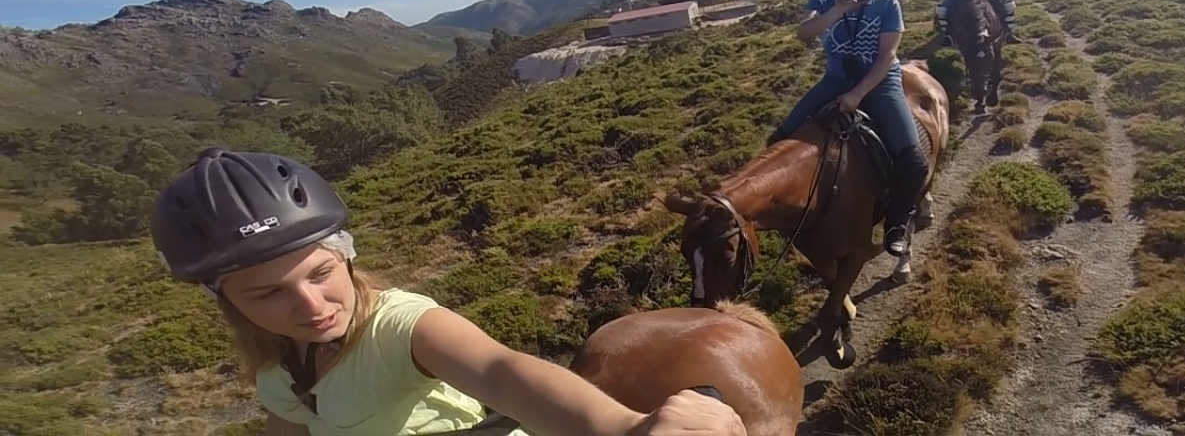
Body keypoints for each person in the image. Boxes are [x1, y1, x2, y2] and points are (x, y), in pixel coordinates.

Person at [150, 147, 747, 436]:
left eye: (320, 273)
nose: (312, 307)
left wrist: (624, 430)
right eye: (268, 295)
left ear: (347, 255)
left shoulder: (402, 327)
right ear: (227, 304)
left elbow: (501, 371)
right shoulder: (274, 365)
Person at [765, 0, 931, 257]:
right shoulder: (823, 0)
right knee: (778, 140)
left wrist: (858, 93)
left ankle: (898, 221)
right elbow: (803, 33)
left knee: (913, 161)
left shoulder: (887, 5)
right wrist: (838, 10)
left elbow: (887, 56)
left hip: (880, 82)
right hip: (835, 79)